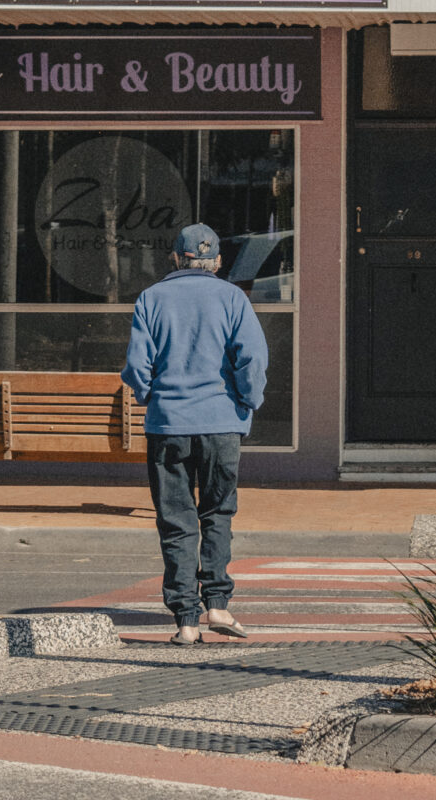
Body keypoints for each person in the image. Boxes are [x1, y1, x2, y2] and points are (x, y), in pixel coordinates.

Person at [122, 221, 269, 645]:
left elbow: (137, 365)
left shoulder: (151, 298)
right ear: (218, 261)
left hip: (168, 424)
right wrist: (247, 402)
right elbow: (252, 360)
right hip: (222, 424)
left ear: (175, 257)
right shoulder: (232, 298)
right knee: (218, 513)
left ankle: (186, 618)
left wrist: (152, 396)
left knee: (176, 520)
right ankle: (218, 604)